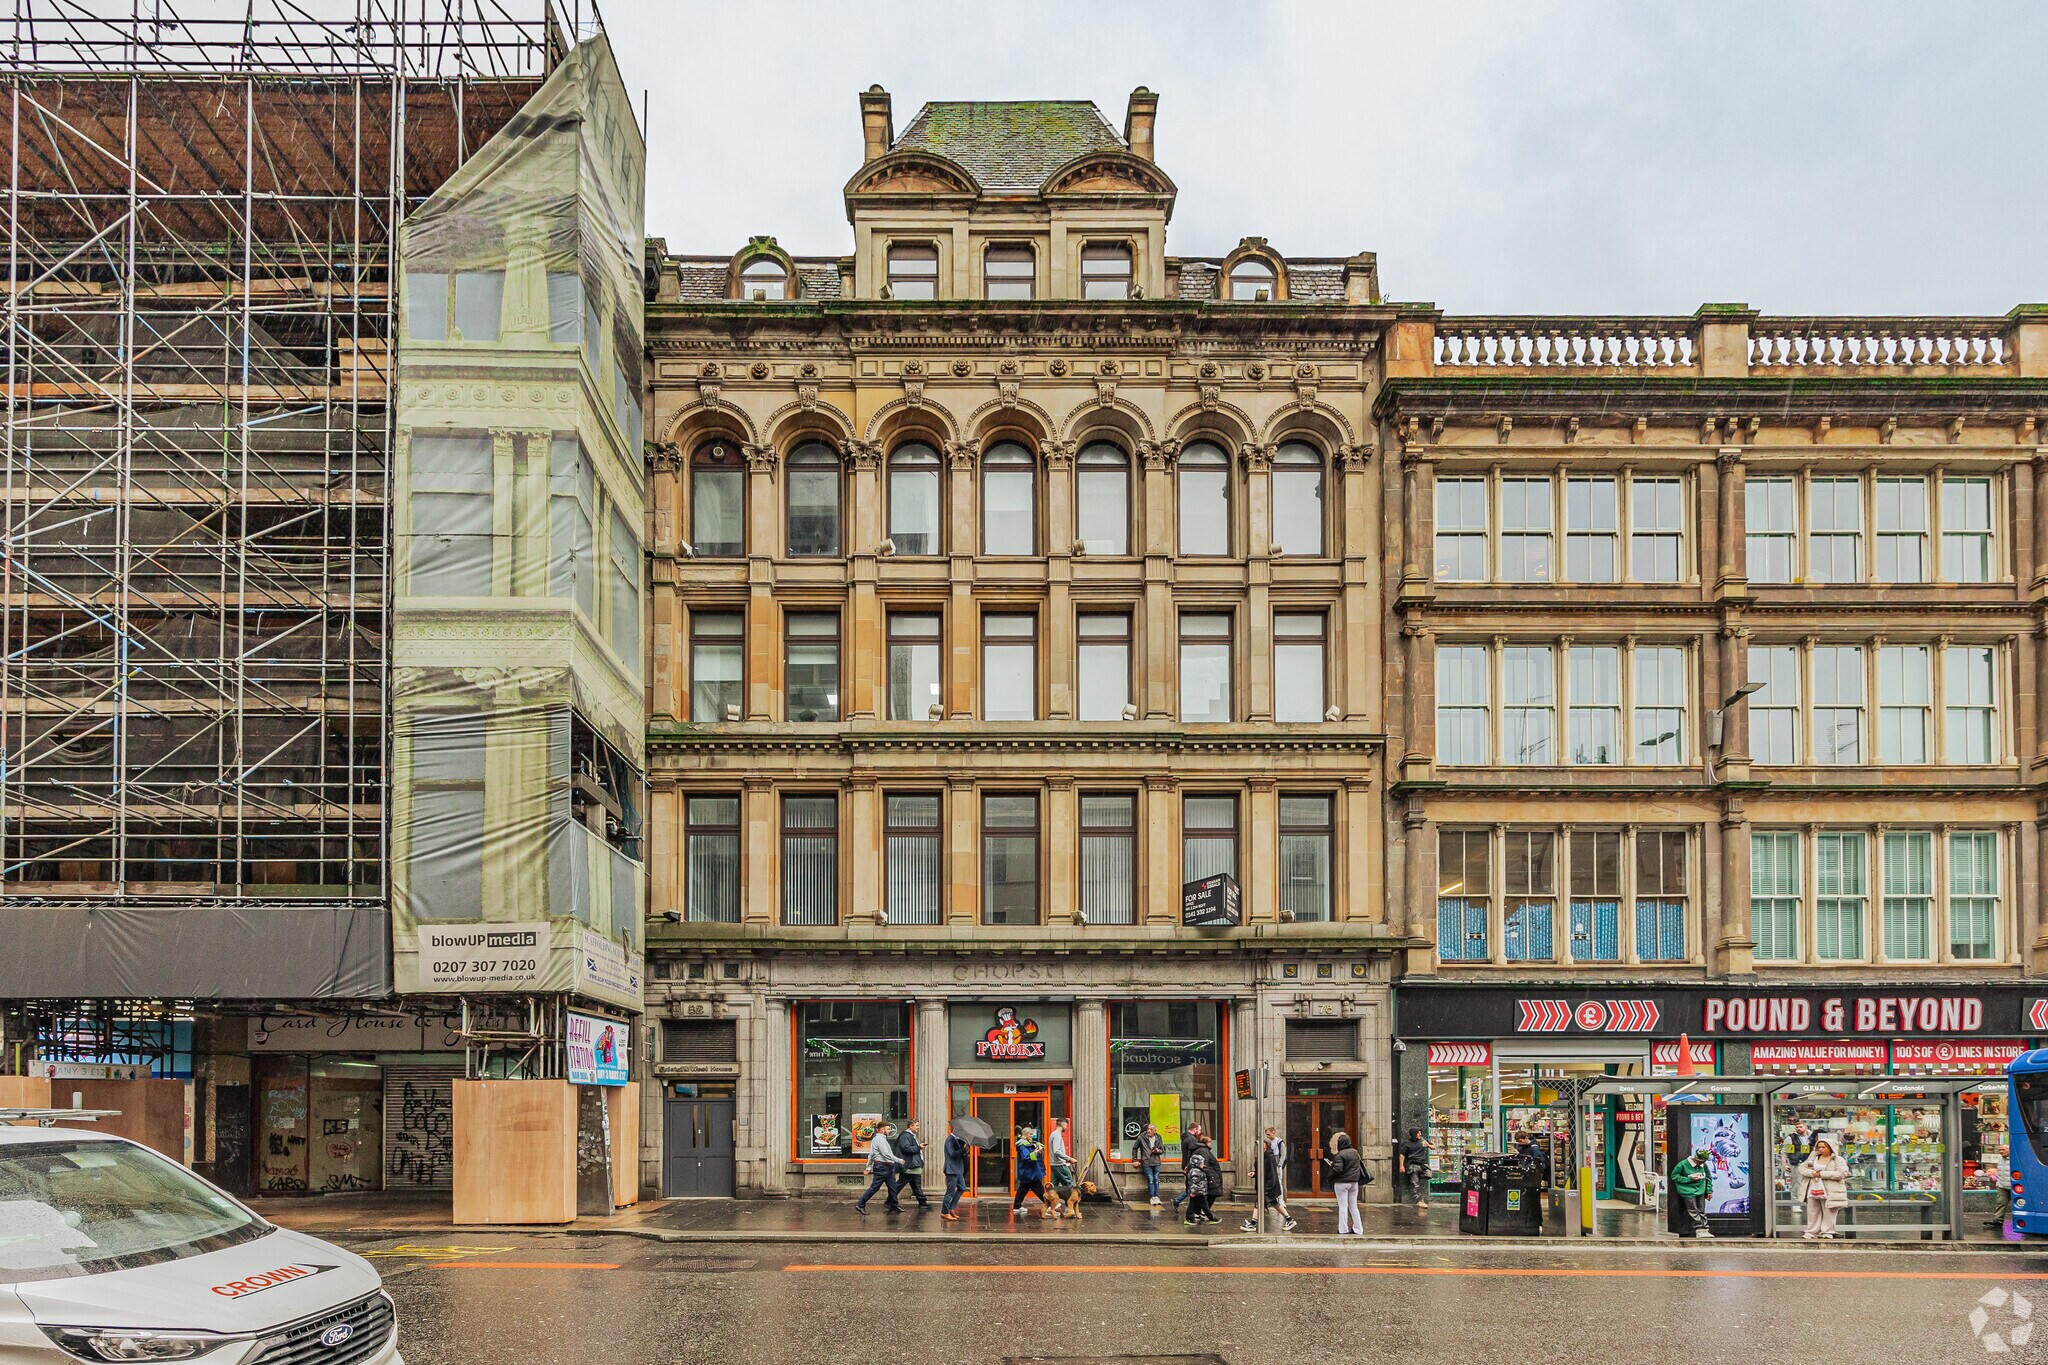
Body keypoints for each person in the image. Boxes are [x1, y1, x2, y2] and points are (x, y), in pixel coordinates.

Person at [1244, 1126, 1297, 1232]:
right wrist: (1254, 1173)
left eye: (1261, 1143)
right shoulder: (1263, 1156)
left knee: (1258, 1203)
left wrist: (1267, 1187)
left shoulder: (1269, 1156)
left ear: (1266, 1145)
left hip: (1268, 1186)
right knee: (1274, 1204)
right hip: (1267, 1185)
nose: (1258, 1145)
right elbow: (1263, 1171)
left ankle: (1253, 1224)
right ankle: (1289, 1220)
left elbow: (1272, 1174)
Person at [1796, 1136, 1850, 1240]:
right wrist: (1812, 1173)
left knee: (1829, 1210)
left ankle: (1827, 1232)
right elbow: (1802, 1168)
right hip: (1813, 1187)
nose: (1821, 1149)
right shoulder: (1813, 1158)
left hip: (1830, 1189)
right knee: (1812, 1210)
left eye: (1824, 1147)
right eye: (1819, 1147)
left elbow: (1841, 1173)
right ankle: (1811, 1231)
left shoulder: (1838, 1160)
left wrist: (1821, 1174)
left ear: (1830, 1148)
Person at [853, 1122, 903, 1215]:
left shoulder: (879, 1139)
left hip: (886, 1166)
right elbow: (886, 1154)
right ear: (882, 1129)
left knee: (893, 1187)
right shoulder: (880, 1139)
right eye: (887, 1129)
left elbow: (871, 1155)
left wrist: (869, 1167)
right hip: (882, 1167)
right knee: (875, 1187)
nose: (889, 1131)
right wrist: (899, 1160)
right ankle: (860, 1204)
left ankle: (893, 1205)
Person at [1327, 1131, 1367, 1237]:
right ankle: (1358, 1229)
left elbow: (1337, 1169)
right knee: (1353, 1206)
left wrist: (1330, 1172)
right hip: (1354, 1183)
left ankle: (1343, 1229)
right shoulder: (1355, 1152)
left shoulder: (1340, 1155)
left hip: (1341, 1183)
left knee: (1343, 1206)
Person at [1669, 1146, 1714, 1239]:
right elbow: (1674, 1176)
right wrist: (1689, 1179)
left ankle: (1705, 1228)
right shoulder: (1683, 1164)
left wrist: (1709, 1190)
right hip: (1687, 1191)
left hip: (1700, 1190)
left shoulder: (1703, 1165)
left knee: (1701, 1209)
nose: (1701, 1164)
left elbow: (1708, 1177)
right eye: (1700, 1162)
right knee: (1693, 1209)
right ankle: (1699, 1228)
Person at [1182, 1124, 1220, 1227]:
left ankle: (1192, 1217)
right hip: (1199, 1185)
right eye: (1209, 1142)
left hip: (1199, 1185)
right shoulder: (1202, 1152)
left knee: (1196, 1201)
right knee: (1201, 1202)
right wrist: (1210, 1178)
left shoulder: (1198, 1150)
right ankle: (1209, 1217)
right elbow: (1203, 1168)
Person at [1012, 1125, 1052, 1218]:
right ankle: (1049, 1204)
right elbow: (1026, 1157)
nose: (1032, 1136)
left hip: (1029, 1171)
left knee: (1023, 1189)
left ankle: (1017, 1206)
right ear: (1025, 1135)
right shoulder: (1023, 1146)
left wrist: (1038, 1148)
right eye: (1030, 1134)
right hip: (1029, 1171)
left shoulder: (1029, 1143)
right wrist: (1036, 1152)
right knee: (1038, 1188)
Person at [896, 1119, 931, 1210]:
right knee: (901, 1184)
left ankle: (922, 1202)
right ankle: (889, 1201)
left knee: (916, 1184)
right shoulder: (905, 1136)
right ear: (911, 1126)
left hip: (913, 1165)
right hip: (910, 1165)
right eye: (917, 1126)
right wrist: (918, 1147)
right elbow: (906, 1148)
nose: (918, 1128)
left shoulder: (910, 1136)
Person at [1050, 1117, 1080, 1219]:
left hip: (1054, 1164)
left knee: (1052, 1188)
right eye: (1066, 1125)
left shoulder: (1053, 1135)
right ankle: (1069, 1209)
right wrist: (1069, 1158)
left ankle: (1051, 1208)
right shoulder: (1057, 1135)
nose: (1066, 1127)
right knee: (1070, 1186)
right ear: (1062, 1124)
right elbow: (1056, 1151)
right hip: (1059, 1164)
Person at [941, 1120, 971, 1222]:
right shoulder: (950, 1140)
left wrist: (965, 1150)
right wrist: (964, 1150)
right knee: (950, 1191)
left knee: (962, 1187)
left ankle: (951, 1207)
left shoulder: (958, 1140)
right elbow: (952, 1154)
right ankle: (945, 1212)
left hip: (958, 1169)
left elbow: (960, 1154)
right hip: (951, 1169)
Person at [1395, 1127, 1432, 1209]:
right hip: (1412, 1164)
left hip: (1422, 1163)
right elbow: (1402, 1155)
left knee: (1429, 1174)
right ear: (1414, 1134)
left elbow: (1434, 1147)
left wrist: (1428, 1145)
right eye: (1419, 1133)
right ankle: (1420, 1201)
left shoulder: (1423, 1140)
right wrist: (1401, 1166)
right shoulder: (1406, 1143)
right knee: (1415, 1184)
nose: (1420, 1134)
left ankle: (1421, 1177)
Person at [1135, 1123, 1165, 1206]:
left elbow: (1162, 1150)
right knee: (1151, 1179)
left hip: (1156, 1162)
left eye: (1151, 1129)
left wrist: (1158, 1151)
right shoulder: (1142, 1137)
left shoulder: (1158, 1137)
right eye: (1148, 1129)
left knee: (1156, 1179)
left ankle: (1156, 1197)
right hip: (1146, 1161)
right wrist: (1135, 1160)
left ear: (1155, 1131)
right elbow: (1135, 1148)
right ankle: (1152, 1197)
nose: (1149, 1131)